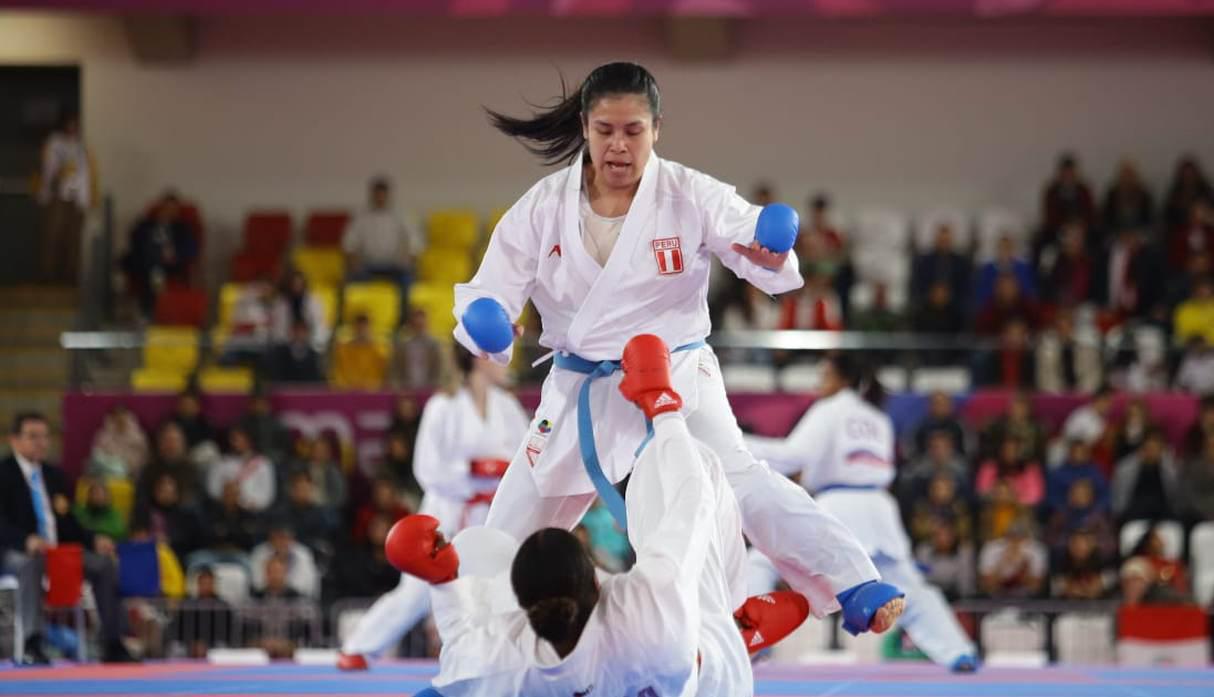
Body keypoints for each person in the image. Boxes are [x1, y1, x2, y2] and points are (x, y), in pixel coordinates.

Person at [454, 63, 886, 647]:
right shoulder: (543, 206)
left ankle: (852, 580)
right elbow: (492, 293)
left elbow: (750, 241)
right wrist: (489, 324)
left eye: (633, 130)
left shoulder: (688, 193)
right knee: (513, 523)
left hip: (676, 370)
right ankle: (473, 664)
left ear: (658, 129)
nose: (618, 145)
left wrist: (767, 241)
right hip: (580, 384)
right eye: (605, 129)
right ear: (584, 126)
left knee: (736, 477)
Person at [389, 335, 902, 696]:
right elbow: (688, 501)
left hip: (606, 372)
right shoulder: (649, 607)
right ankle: (766, 620)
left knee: (486, 547)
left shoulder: (501, 663)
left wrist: (446, 581)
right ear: (601, 581)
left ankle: (766, 617)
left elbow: (458, 674)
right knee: (703, 472)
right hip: (701, 665)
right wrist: (663, 409)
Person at [745, 353, 977, 671]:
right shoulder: (878, 418)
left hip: (837, 503)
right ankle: (958, 652)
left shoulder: (830, 409)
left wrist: (732, 442)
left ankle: (746, 637)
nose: (818, 384)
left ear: (842, 380)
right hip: (879, 508)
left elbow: (793, 455)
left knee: (763, 558)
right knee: (908, 585)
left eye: (824, 376)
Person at [338, 344, 531, 669]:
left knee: (505, 585)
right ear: (477, 358)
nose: (506, 362)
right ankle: (359, 646)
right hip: (449, 510)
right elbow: (426, 467)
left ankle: (514, 658)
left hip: (492, 512)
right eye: (499, 354)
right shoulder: (442, 406)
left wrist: (500, 470)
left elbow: (527, 456)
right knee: (417, 590)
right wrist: (471, 473)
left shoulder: (507, 407)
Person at [0, 413, 135, 664]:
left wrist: (94, 539)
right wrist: (26, 540)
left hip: (56, 553)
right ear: (15, 441)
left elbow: (69, 523)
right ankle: (32, 642)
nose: (41, 442)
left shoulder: (54, 476)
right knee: (31, 562)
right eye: (33, 436)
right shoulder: (3, 474)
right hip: (13, 553)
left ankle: (113, 643)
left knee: (104, 565)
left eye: (44, 436)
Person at [37, 113, 95, 284]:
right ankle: (48, 276)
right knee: (53, 236)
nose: (72, 128)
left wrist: (86, 199)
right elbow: (49, 170)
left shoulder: (82, 147)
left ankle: (70, 276)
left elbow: (86, 175)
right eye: (70, 124)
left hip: (77, 198)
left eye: (75, 125)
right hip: (58, 196)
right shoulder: (54, 143)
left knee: (74, 238)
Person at [121, 193, 199, 317]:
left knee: (156, 271)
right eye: (167, 208)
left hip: (171, 265)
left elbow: (191, 250)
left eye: (173, 209)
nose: (169, 212)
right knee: (140, 263)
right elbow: (135, 241)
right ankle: (147, 309)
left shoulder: (182, 229)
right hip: (145, 263)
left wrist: (175, 253)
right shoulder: (147, 224)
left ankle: (152, 311)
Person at [343, 177, 420, 301]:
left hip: (394, 265)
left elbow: (414, 241)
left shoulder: (400, 215)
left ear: (387, 195)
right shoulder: (361, 216)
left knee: (408, 281)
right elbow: (349, 243)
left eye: (382, 195)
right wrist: (353, 261)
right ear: (372, 195)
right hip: (367, 265)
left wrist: (410, 258)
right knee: (349, 282)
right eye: (377, 195)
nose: (380, 198)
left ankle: (403, 318)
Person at [1112, 429, 1181, 524]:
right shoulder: (1126, 467)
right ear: (1142, 449)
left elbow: (1175, 492)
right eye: (1149, 448)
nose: (1152, 452)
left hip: (1163, 514)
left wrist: (1166, 463)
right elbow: (1119, 496)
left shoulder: (1168, 466)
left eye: (1156, 448)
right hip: (1134, 513)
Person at [89, 403, 150, 481]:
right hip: (109, 477)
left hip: (134, 476)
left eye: (122, 415)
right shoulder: (103, 436)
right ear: (111, 418)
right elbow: (97, 458)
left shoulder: (138, 436)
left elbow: (145, 457)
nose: (120, 418)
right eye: (116, 415)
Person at [270, 268, 329, 347]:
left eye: (299, 284)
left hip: (310, 341)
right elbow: (278, 329)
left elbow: (319, 324)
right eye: (294, 284)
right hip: (287, 342)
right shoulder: (281, 303)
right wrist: (291, 339)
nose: (297, 287)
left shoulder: (313, 301)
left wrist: (309, 339)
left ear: (304, 284)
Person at [330, 313, 389, 390]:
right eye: (359, 328)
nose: (361, 331)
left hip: (373, 394)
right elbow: (337, 376)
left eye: (364, 328)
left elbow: (384, 376)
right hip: (347, 393)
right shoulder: (342, 349)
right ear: (353, 328)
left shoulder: (380, 350)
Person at [390, 306, 444, 390]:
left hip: (429, 390)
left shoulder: (435, 346)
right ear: (411, 325)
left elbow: (440, 371)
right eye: (416, 325)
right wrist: (397, 388)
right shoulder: (401, 346)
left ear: (426, 325)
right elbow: (394, 370)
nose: (419, 329)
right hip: (406, 391)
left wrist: (435, 388)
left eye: (421, 325)